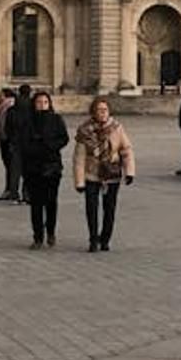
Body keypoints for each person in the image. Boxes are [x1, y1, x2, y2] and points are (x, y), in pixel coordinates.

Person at [73, 97, 135, 251]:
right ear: (93, 112)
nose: (102, 113)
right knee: (91, 208)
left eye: (105, 110)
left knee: (110, 208)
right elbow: (79, 157)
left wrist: (129, 172)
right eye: (99, 110)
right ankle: (93, 239)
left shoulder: (117, 128)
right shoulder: (84, 130)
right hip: (91, 173)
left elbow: (126, 150)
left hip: (111, 173)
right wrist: (79, 182)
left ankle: (105, 238)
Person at [13, 89, 68, 248]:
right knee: (36, 203)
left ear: (49, 104)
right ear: (34, 104)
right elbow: (22, 142)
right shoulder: (28, 121)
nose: (42, 105)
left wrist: (49, 145)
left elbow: (64, 138)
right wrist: (34, 148)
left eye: (45, 102)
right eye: (39, 102)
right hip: (33, 167)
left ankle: (51, 232)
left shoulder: (56, 119)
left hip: (52, 166)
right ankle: (37, 236)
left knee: (51, 202)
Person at [0, 88, 19, 202]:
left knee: (11, 166)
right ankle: (9, 189)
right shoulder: (0, 107)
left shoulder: (10, 107)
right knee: (8, 165)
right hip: (3, 138)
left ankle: (11, 190)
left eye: (1, 95)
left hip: (9, 139)